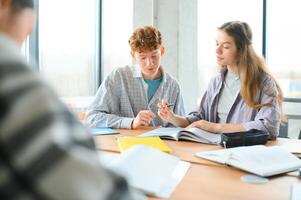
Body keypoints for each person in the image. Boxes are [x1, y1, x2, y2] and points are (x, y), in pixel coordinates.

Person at [0, 0, 142, 199]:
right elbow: (93, 190)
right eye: (25, 32)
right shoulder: (7, 68)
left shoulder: (171, 83)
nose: (23, 42)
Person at [158, 21, 284, 140]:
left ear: (241, 51)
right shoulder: (216, 82)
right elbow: (200, 118)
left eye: (226, 46)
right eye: (217, 44)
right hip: (213, 149)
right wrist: (172, 117)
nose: (217, 50)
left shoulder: (264, 83)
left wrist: (216, 127)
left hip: (244, 151)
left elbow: (269, 127)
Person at [86, 26, 185, 129]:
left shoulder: (173, 86)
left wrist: (172, 118)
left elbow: (182, 127)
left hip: (163, 144)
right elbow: (92, 118)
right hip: (123, 143)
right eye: (142, 57)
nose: (149, 63)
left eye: (154, 55)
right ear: (133, 55)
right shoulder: (118, 77)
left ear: (162, 51)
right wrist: (131, 122)